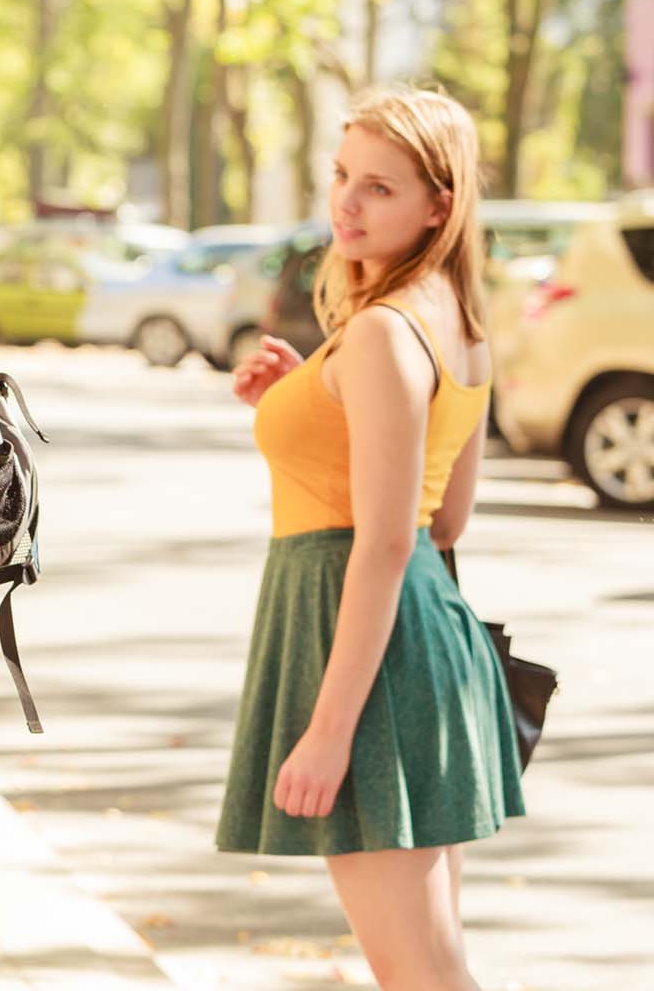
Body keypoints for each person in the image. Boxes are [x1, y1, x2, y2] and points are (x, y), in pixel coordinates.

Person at [216, 86, 526, 991]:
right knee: (433, 966)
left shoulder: (388, 333)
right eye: (341, 175)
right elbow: (447, 518)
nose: (346, 202)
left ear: (440, 204)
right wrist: (303, 392)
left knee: (419, 975)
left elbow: (389, 540)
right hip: (418, 636)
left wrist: (327, 731)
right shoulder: (449, 323)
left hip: (369, 651)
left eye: (379, 188)